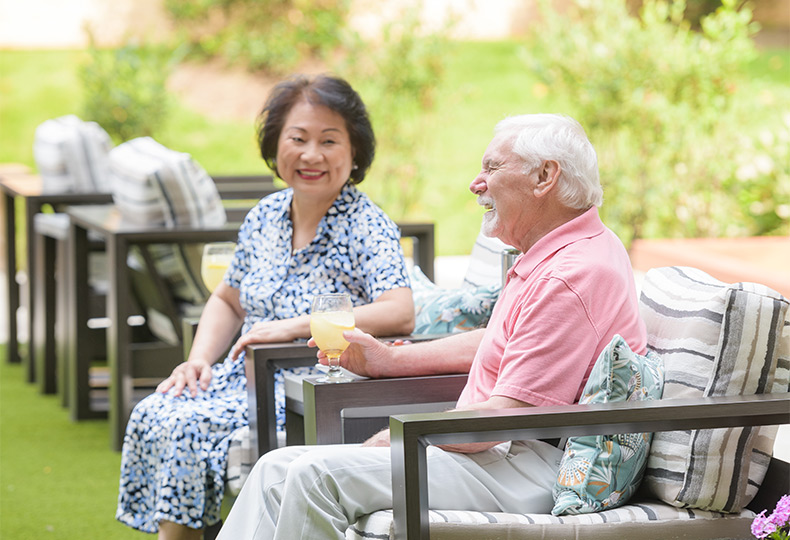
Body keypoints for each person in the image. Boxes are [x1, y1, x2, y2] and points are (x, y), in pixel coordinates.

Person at [217, 113, 648, 539]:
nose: (476, 183)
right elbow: (500, 342)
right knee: (276, 466)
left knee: (314, 475)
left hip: (529, 463)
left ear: (544, 177)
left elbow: (508, 416)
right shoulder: (560, 252)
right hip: (502, 451)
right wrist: (389, 360)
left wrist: (405, 438)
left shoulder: (568, 275)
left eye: (491, 168)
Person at [116, 74, 416, 540]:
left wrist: (291, 328)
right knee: (159, 407)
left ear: (354, 153)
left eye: (329, 140)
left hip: (309, 385)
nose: (311, 154)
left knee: (186, 422)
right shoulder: (266, 215)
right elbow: (228, 298)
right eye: (297, 139)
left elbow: (399, 311)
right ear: (275, 147)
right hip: (241, 377)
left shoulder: (366, 223)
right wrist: (198, 361)